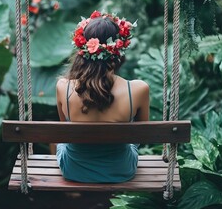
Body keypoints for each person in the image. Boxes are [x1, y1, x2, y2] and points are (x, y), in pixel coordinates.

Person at [55, 11, 150, 183]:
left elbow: (65, 130)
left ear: (82, 48)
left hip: (74, 170)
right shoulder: (138, 89)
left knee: (62, 145)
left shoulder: (63, 87)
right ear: (119, 49)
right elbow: (141, 135)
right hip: (120, 170)